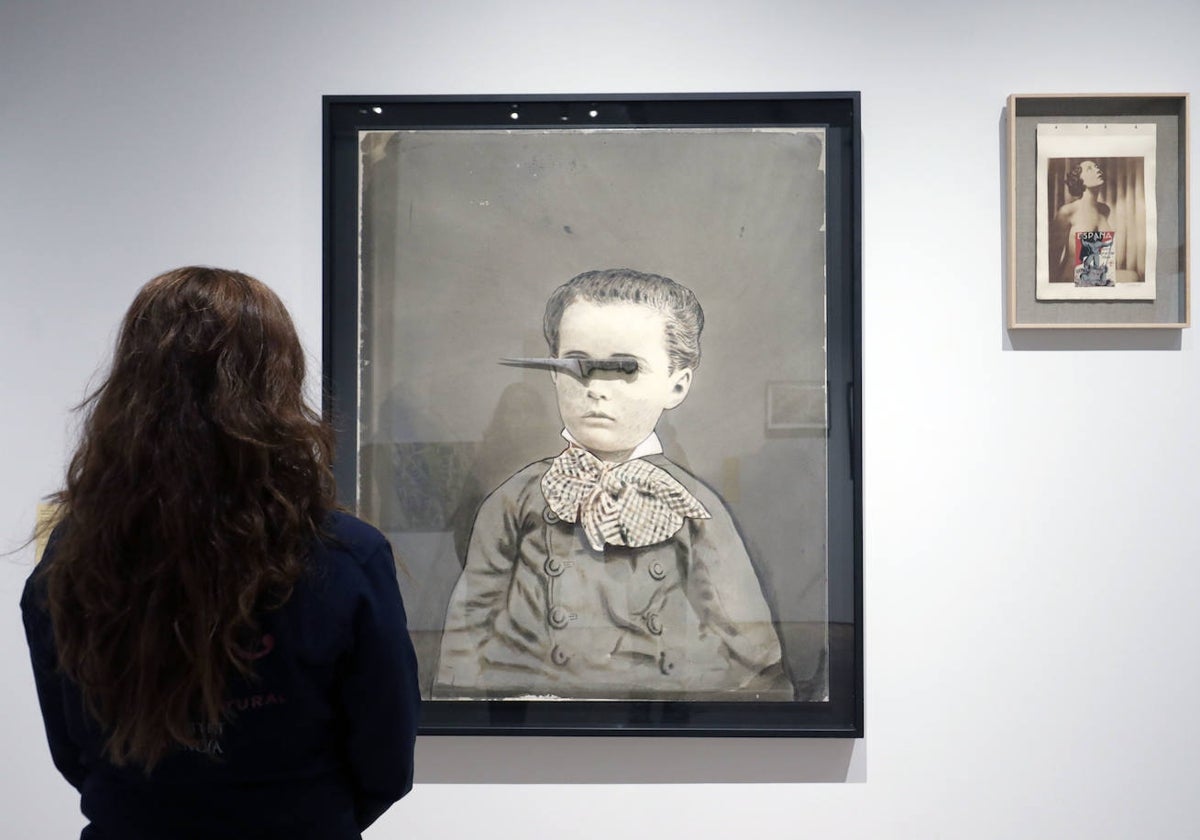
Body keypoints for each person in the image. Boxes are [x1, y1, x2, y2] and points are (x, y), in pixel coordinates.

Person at [20, 267, 420, 839]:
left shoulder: (74, 556)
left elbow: (74, 752)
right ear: (277, 388)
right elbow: (385, 764)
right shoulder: (345, 556)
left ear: (131, 386)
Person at [433, 268, 792, 701]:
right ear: (553, 374)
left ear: (676, 384)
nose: (596, 389)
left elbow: (751, 647)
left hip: (662, 723)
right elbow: (468, 632)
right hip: (534, 725)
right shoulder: (516, 499)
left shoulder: (692, 506)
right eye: (576, 365)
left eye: (625, 369)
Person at [1049, 159, 1115, 285]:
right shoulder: (1068, 211)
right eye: (1090, 168)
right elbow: (1053, 257)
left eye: (1096, 167)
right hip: (1071, 280)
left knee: (1133, 276)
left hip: (1096, 278)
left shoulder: (1105, 210)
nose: (1097, 170)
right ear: (1079, 180)